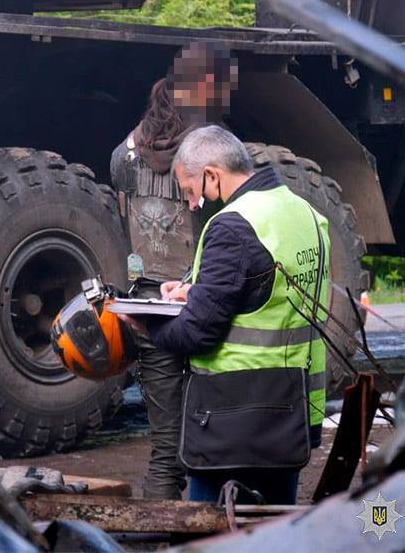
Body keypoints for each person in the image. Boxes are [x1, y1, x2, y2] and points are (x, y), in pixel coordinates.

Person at [136, 125, 329, 505]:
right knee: (276, 531)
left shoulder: (233, 224)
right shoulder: (305, 213)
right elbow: (268, 292)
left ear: (212, 174)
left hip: (233, 421)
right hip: (294, 412)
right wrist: (199, 290)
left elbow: (196, 335)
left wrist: (146, 324)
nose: (193, 204)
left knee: (211, 535)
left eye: (191, 191)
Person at [109, 42, 237, 500]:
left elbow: (125, 214)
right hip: (203, 303)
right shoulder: (209, 149)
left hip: (147, 304)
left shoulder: (124, 150)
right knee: (222, 438)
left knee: (165, 450)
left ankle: (152, 538)